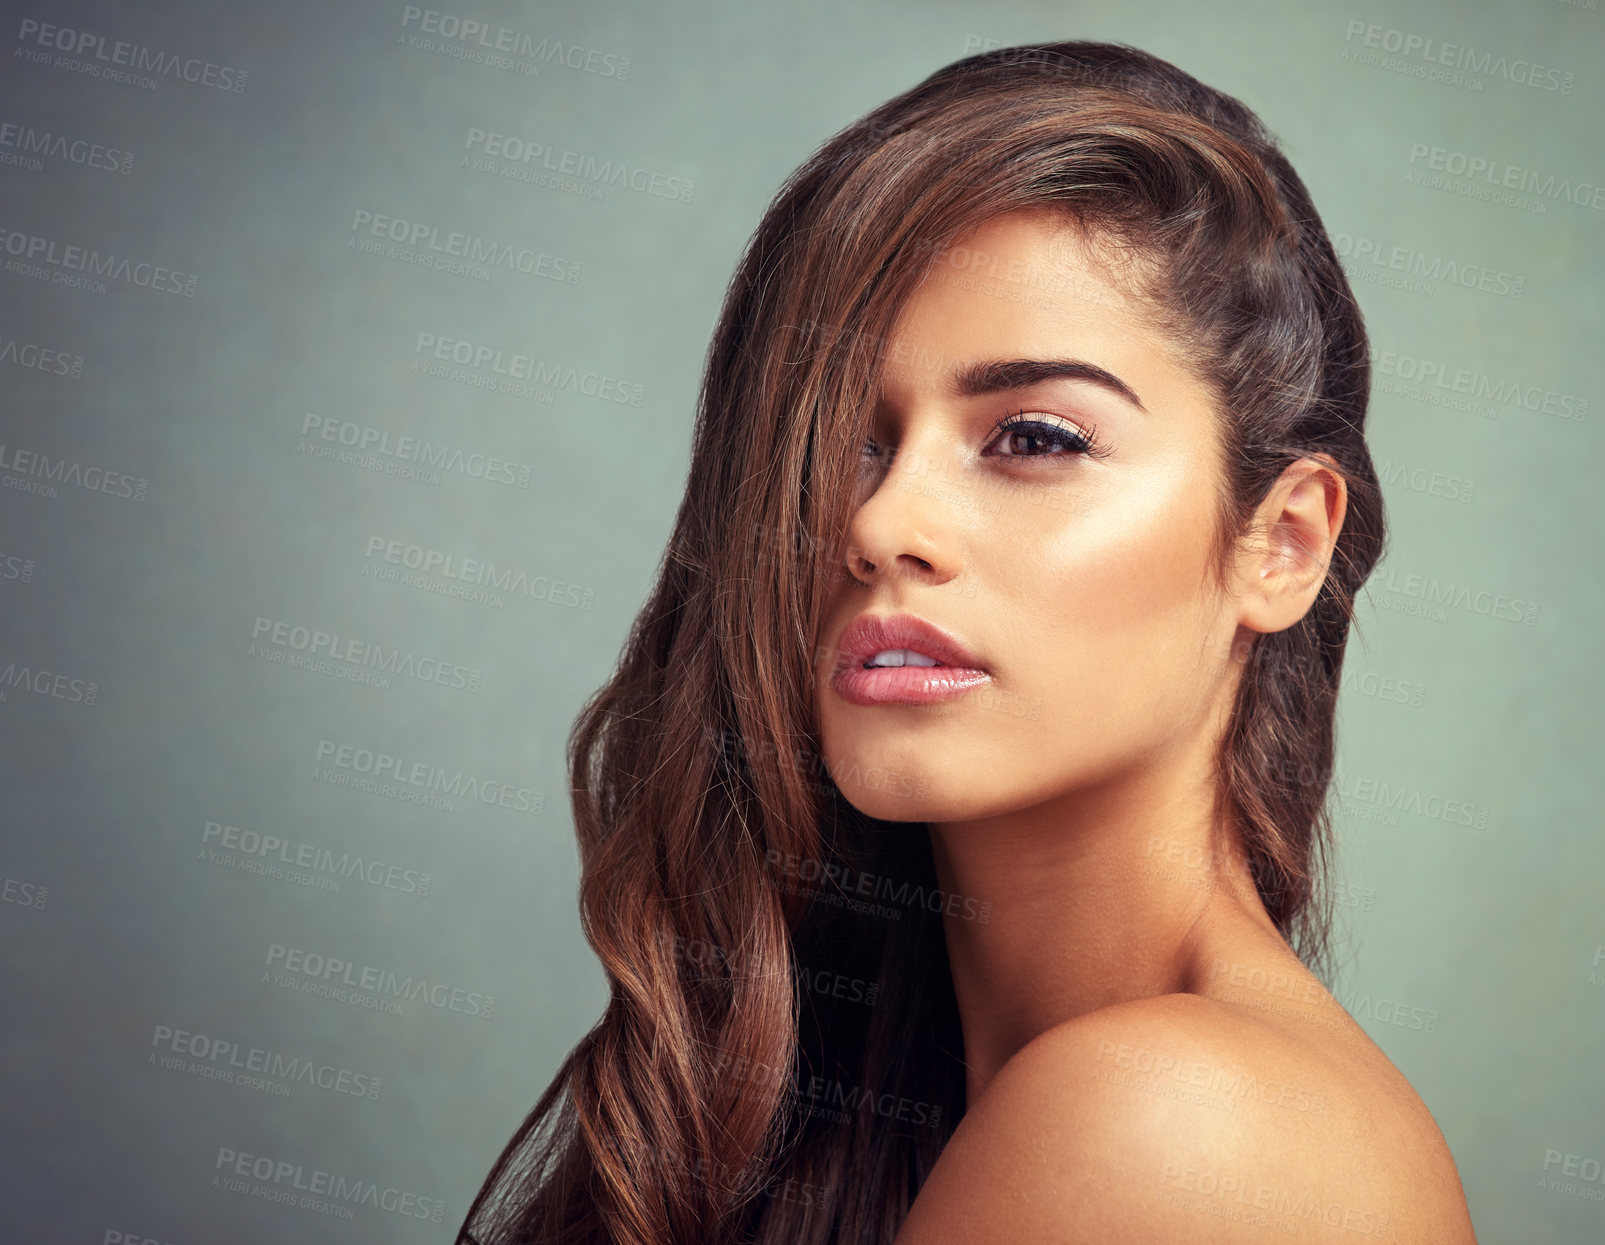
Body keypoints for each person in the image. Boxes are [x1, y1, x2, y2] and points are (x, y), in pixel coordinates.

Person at [456, 40, 1479, 1244]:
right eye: (844, 439)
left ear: (1282, 544)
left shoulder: (1174, 1122)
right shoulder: (908, 1099)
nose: (881, 525)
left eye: (1034, 436)